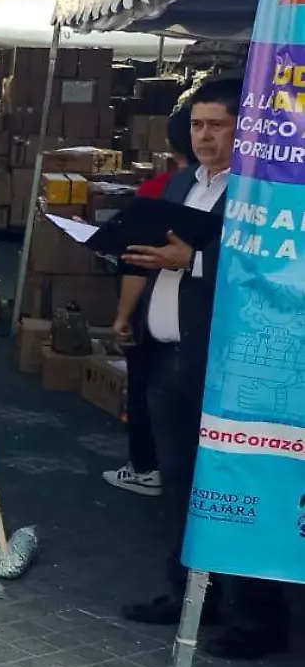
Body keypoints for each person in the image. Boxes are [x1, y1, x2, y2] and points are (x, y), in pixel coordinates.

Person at [117, 80, 289, 661]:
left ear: (245, 129)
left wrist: (194, 261)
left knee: (233, 486)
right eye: (197, 125)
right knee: (181, 482)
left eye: (217, 124)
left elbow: (270, 268)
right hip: (167, 351)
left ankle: (256, 615)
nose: (206, 135)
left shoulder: (261, 192)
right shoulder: (184, 182)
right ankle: (191, 590)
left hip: (226, 362)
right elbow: (158, 249)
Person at [105, 102, 194, 496]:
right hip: (192, 318)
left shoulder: (161, 190)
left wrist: (122, 316)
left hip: (163, 312)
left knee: (144, 386)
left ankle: (146, 467)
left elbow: (136, 264)